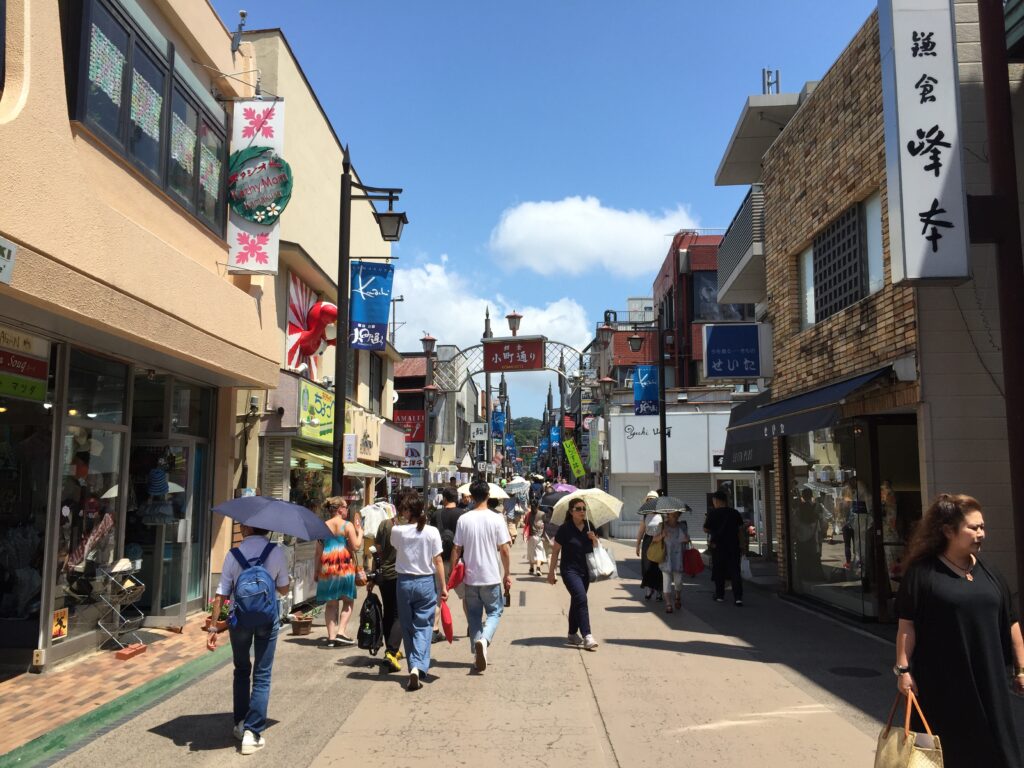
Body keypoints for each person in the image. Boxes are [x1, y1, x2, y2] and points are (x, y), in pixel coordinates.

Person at [894, 494, 1024, 768]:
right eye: (973, 528)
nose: (981, 533)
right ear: (948, 531)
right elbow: (907, 625)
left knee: (998, 753)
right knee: (947, 754)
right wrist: (903, 671)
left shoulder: (990, 572)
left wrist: (1021, 669)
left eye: (982, 527)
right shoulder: (923, 574)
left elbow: (1011, 622)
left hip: (989, 682)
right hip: (942, 687)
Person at [206, 525, 290, 755]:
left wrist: (214, 627)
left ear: (245, 529)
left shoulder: (233, 555)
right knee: (262, 674)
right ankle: (253, 733)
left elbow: (222, 592)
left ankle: (240, 724)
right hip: (267, 619)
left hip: (239, 620)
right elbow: (283, 589)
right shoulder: (276, 552)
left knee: (241, 669)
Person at [451, 479, 512, 673]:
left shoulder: (464, 519)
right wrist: (507, 573)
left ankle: (478, 648)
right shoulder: (496, 518)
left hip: (470, 577)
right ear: (488, 496)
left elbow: (456, 548)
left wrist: (454, 570)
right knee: (495, 612)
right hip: (491, 576)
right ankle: (484, 641)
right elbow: (504, 549)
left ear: (470, 496)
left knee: (474, 615)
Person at [390, 495, 448, 691]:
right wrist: (444, 586)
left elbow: (395, 546)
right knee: (424, 626)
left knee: (407, 626)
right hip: (425, 583)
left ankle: (415, 666)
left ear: (408, 512)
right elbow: (438, 561)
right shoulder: (431, 531)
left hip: (404, 582)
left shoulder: (397, 531)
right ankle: (417, 667)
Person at [547, 498, 599, 650]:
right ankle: (587, 635)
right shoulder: (565, 529)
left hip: (586, 570)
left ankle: (571, 633)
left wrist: (593, 539)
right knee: (581, 598)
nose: (582, 511)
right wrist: (551, 572)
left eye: (584, 508)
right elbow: (555, 551)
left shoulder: (590, 526)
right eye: (578, 509)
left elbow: (597, 549)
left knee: (577, 600)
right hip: (569, 570)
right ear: (571, 512)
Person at [314, 496, 362, 646]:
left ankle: (331, 638)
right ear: (340, 509)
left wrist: (316, 571)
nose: (347, 510)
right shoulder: (347, 526)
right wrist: (360, 532)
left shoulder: (322, 526)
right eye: (346, 507)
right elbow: (356, 546)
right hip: (344, 565)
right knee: (348, 601)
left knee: (331, 603)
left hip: (327, 566)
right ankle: (341, 631)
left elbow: (318, 552)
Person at [368, 496, 408, 674]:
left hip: (383, 574)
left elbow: (376, 550)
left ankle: (391, 648)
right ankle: (391, 652)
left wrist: (372, 575)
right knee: (399, 614)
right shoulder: (409, 527)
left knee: (388, 611)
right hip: (400, 575)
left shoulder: (385, 525)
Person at [432, 487, 467, 642]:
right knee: (466, 596)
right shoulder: (463, 515)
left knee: (438, 594)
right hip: (458, 562)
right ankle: (471, 626)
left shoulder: (436, 515)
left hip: (438, 560)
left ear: (445, 498)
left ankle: (434, 629)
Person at [705, 490, 744, 606]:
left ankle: (720, 595)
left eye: (714, 501)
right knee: (735, 571)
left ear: (717, 501)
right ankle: (738, 598)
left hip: (718, 547)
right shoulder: (735, 513)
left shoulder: (713, 514)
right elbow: (740, 530)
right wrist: (743, 545)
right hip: (733, 546)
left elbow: (706, 529)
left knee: (719, 571)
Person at [653, 509, 689, 613]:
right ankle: (668, 604)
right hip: (666, 557)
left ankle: (677, 597)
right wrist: (661, 536)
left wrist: (686, 539)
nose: (675, 516)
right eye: (673, 514)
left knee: (678, 581)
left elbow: (687, 539)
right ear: (668, 514)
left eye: (677, 514)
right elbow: (654, 539)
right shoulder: (662, 525)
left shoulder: (682, 525)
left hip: (679, 557)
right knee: (667, 582)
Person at [635, 492, 664, 601]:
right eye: (648, 499)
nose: (650, 501)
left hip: (659, 541)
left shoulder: (662, 514)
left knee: (658, 567)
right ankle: (649, 588)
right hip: (648, 541)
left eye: (653, 499)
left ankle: (659, 591)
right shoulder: (645, 515)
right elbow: (641, 531)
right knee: (646, 567)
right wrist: (637, 545)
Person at [794, 488, 823, 583]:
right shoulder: (817, 506)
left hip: (801, 537)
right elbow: (822, 523)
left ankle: (803, 575)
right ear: (811, 496)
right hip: (813, 537)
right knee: (814, 557)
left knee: (802, 558)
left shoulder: (799, 508)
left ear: (802, 496)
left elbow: (795, 523)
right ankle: (815, 576)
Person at [527, 503, 547, 576]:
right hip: (539, 536)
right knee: (539, 552)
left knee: (531, 551)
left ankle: (531, 567)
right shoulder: (542, 514)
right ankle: (538, 568)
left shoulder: (529, 514)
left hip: (531, 536)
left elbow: (526, 523)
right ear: (538, 506)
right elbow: (545, 523)